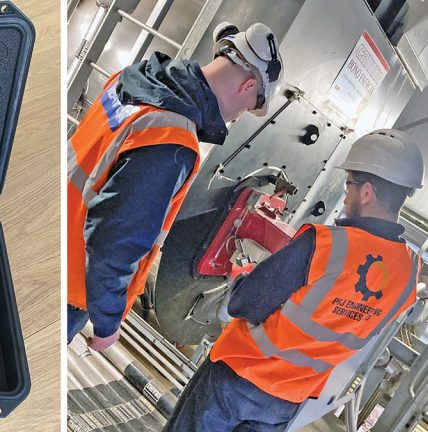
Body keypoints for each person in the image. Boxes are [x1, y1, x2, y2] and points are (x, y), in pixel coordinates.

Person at [165, 129, 425, 431]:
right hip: (288, 400)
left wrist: (244, 276)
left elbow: (243, 303)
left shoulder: (327, 244)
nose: (346, 194)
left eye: (349, 184)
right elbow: (360, 327)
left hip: (238, 375)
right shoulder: (410, 271)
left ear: (366, 192)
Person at [67, 22, 284, 350]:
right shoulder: (171, 138)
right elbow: (116, 241)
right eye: (249, 106)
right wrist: (107, 320)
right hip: (69, 283)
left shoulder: (133, 79)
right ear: (248, 85)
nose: (238, 117)